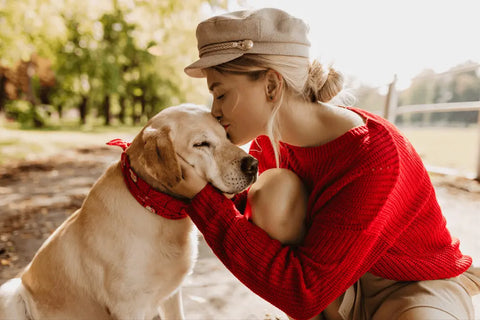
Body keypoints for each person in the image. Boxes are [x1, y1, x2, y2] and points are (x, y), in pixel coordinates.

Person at [161, 7, 480, 320]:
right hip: (334, 292)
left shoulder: (375, 155)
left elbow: (303, 293)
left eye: (221, 94)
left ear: (271, 86)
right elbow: (237, 220)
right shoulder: (267, 144)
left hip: (410, 286)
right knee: (274, 188)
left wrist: (199, 198)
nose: (215, 110)